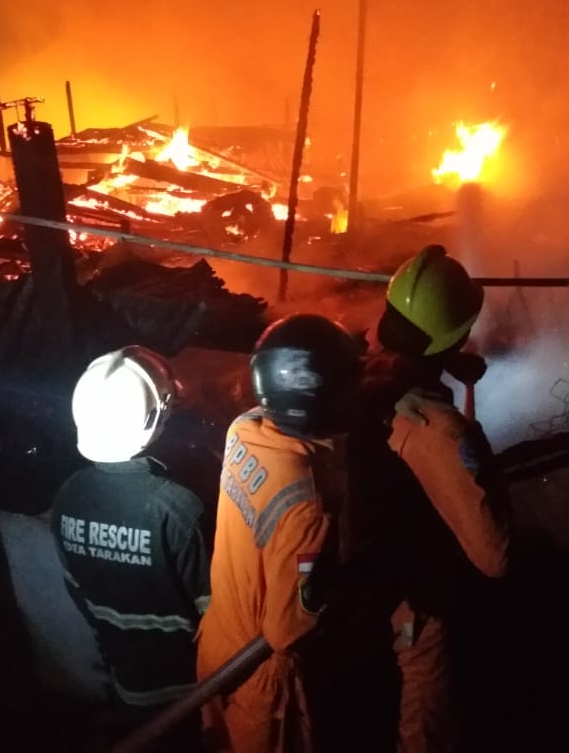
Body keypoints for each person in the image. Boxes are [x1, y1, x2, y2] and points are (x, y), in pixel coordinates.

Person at [350, 244, 514, 753]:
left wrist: (446, 368)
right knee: (427, 721)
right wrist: (477, 450)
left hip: (360, 585)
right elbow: (495, 556)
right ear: (459, 334)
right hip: (415, 600)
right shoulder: (437, 429)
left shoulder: (355, 370)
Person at [196, 313, 362, 753]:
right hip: (259, 677)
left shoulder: (244, 431)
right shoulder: (305, 503)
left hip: (217, 642)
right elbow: (288, 629)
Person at [50, 346, 212, 747]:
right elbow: (215, 610)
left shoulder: (68, 496)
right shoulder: (178, 508)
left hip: (126, 683)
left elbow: (78, 592)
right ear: (158, 417)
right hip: (193, 691)